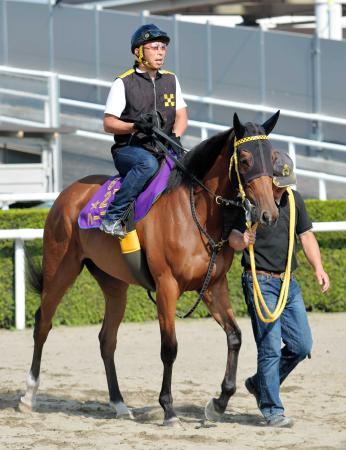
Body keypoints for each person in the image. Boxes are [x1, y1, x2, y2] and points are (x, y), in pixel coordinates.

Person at [229, 151, 330, 428]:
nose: (282, 188)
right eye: (278, 183)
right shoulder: (247, 203)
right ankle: (272, 409)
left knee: (301, 345)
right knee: (270, 348)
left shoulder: (294, 201)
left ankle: (259, 383)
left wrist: (318, 268)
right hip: (259, 281)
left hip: (288, 282)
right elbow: (231, 238)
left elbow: (306, 235)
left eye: (286, 183)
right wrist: (243, 238)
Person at [100, 23, 188, 237]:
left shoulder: (170, 79)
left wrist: (175, 136)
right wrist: (134, 126)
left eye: (163, 48)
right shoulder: (123, 83)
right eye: (154, 47)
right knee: (147, 164)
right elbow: (108, 123)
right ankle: (113, 216)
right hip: (130, 150)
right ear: (138, 52)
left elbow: (182, 115)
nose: (160, 52)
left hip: (164, 148)